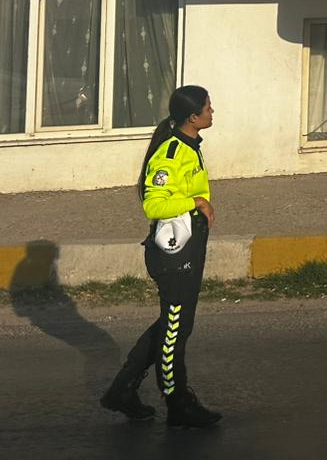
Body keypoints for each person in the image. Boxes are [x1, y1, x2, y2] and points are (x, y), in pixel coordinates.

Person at [100, 86, 224, 428]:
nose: (213, 111)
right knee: (175, 331)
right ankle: (178, 402)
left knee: (173, 325)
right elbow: (153, 204)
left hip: (187, 247)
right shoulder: (171, 153)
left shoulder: (189, 145)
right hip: (173, 255)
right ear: (192, 116)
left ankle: (122, 390)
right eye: (208, 107)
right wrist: (196, 203)